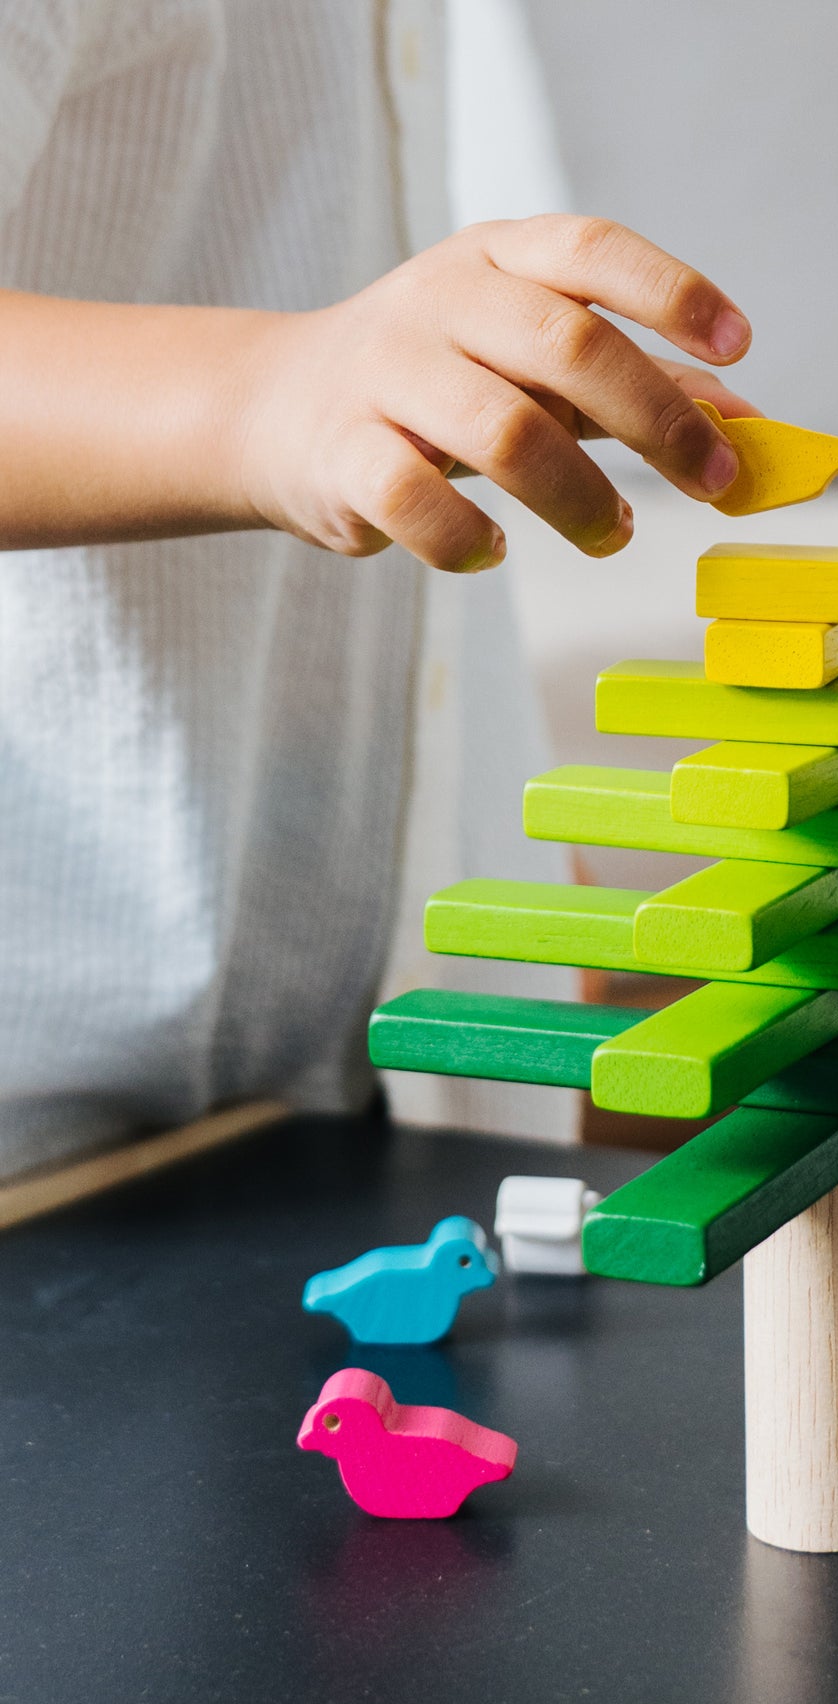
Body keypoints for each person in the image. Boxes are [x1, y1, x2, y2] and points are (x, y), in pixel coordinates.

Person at [0, 2, 754, 1178]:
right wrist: (268, 393)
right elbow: (324, 381)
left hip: (418, 1081)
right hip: (58, 1139)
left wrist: (477, 813)